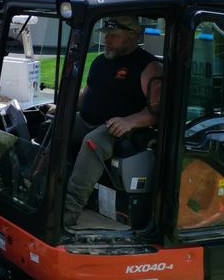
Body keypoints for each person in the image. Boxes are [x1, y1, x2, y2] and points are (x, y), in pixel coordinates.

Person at [63, 16, 162, 228]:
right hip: (88, 119)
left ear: (134, 36)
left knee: (93, 143)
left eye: (114, 36)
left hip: (121, 128)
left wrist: (130, 121)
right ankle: (43, 185)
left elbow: (157, 111)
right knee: (58, 126)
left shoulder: (148, 66)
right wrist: (64, 109)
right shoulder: (101, 61)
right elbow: (87, 92)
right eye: (106, 35)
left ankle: (70, 210)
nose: (107, 40)